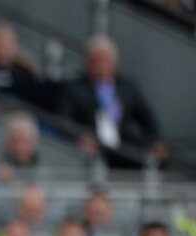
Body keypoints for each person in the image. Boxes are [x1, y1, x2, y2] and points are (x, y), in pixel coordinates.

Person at [59, 36, 165, 169]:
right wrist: (79, 138)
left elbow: (148, 118)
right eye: (96, 61)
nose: (101, 66)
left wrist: (156, 140)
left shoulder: (127, 88)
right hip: (93, 149)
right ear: (87, 63)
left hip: (124, 148)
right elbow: (64, 121)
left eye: (105, 61)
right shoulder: (74, 88)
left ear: (115, 64)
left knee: (154, 157)